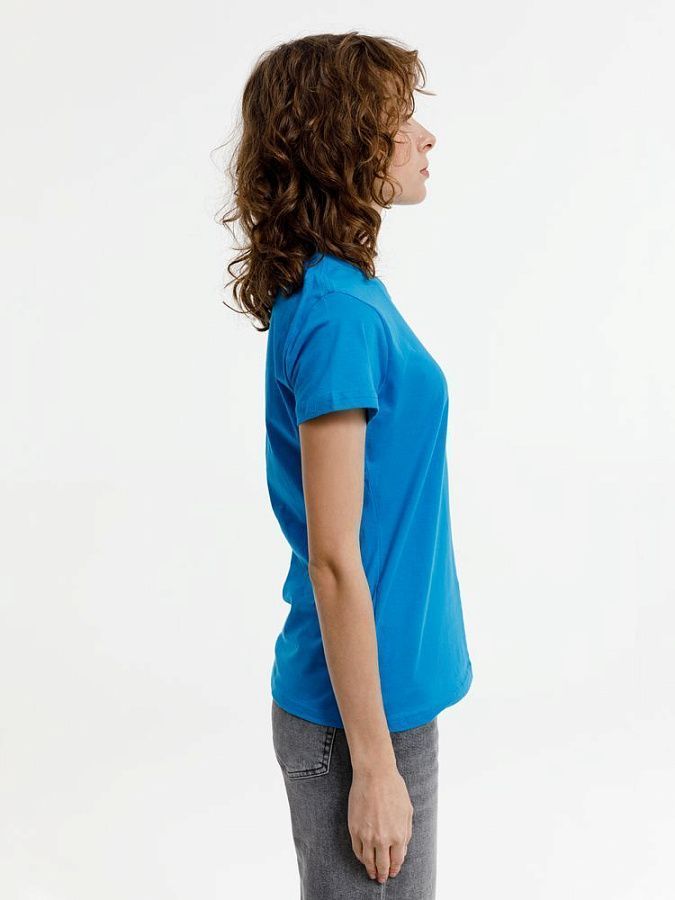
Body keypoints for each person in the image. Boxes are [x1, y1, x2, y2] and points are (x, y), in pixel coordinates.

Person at [219, 31, 474, 899]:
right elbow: (333, 558)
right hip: (358, 722)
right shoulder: (339, 315)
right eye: (400, 121)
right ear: (344, 143)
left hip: (379, 702)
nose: (425, 137)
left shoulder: (342, 291)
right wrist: (372, 766)